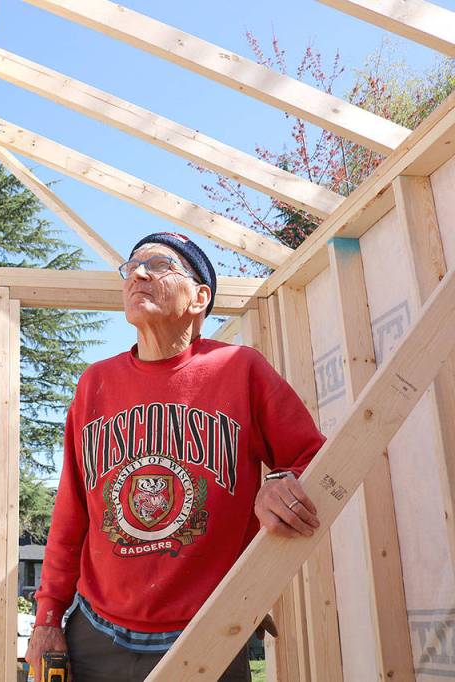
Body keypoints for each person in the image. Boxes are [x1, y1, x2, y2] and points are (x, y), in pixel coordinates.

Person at [25, 232, 325, 682]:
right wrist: (47, 618)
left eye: (159, 264)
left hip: (210, 632)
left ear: (200, 296)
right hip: (97, 633)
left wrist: (280, 479)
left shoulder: (240, 369)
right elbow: (71, 515)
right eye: (131, 267)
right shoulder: (94, 384)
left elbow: (314, 458)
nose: (138, 274)